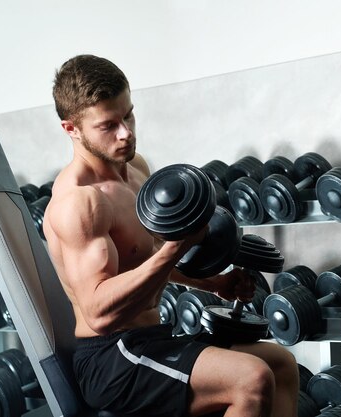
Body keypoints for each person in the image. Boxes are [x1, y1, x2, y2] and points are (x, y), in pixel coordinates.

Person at [43, 54, 299, 417]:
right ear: (72, 129)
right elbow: (99, 312)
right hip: (111, 359)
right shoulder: (79, 202)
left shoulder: (136, 169)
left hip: (153, 338)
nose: (126, 132)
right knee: (250, 378)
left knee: (279, 363)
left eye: (129, 115)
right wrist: (175, 249)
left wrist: (215, 284)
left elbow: (144, 256)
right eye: (109, 125)